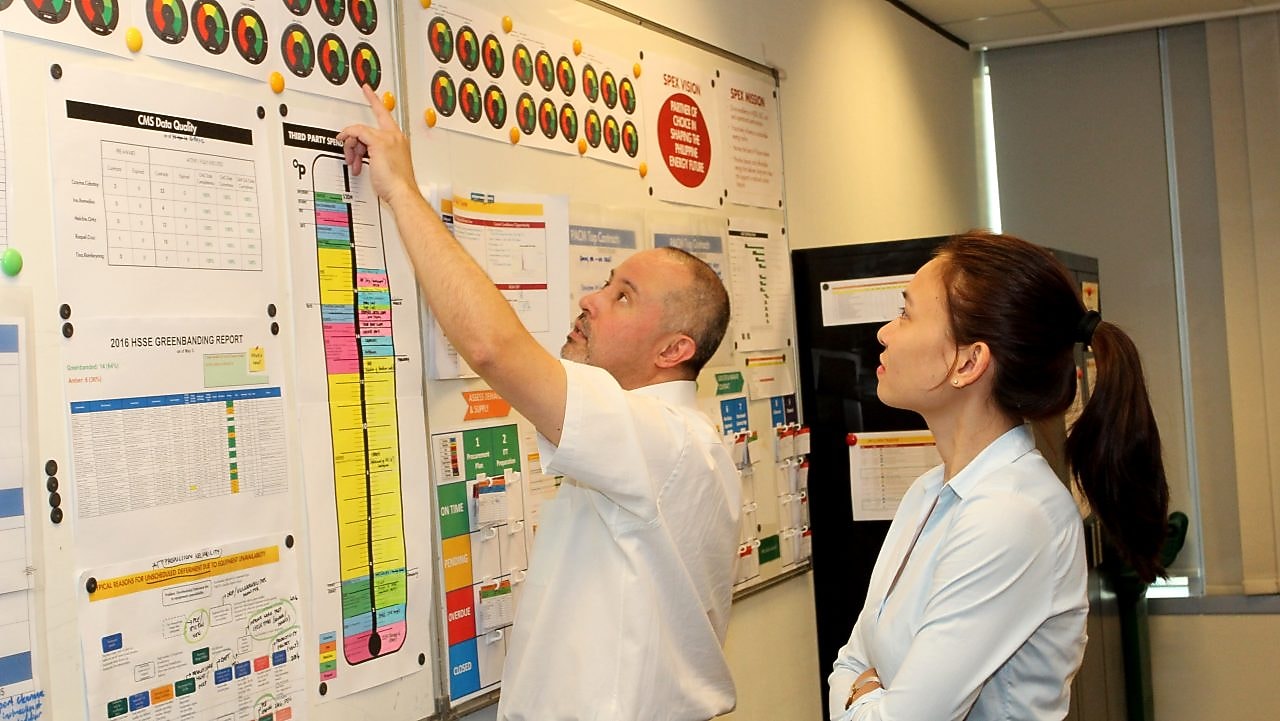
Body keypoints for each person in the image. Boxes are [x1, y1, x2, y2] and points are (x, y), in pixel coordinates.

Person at [339, 86, 741, 720]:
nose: (591, 298)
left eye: (623, 297)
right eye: (606, 283)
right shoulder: (663, 439)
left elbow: (492, 347)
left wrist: (400, 190)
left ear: (673, 349)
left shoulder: (665, 438)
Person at [828, 231, 1170, 720]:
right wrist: (865, 693)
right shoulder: (927, 494)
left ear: (969, 362)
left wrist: (863, 696)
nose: (884, 332)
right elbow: (849, 662)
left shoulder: (1012, 515)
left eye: (906, 314)